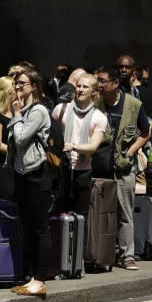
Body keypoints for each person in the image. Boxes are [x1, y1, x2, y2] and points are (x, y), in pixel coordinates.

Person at [95, 65, 151, 271]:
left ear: (115, 83)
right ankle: (101, 253)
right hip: (100, 166)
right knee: (100, 213)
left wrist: (131, 151)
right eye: (97, 81)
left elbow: (146, 132)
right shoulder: (95, 103)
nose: (99, 85)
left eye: (102, 81)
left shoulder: (134, 104)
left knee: (125, 213)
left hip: (124, 167)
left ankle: (127, 255)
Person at [7, 67, 53, 296]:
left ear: (34, 86)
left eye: (22, 83)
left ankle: (41, 278)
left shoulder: (38, 111)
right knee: (27, 227)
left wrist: (15, 116)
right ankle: (31, 276)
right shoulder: (23, 110)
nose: (17, 87)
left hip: (37, 174)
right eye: (16, 84)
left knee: (39, 228)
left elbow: (22, 138)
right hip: (22, 174)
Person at [51, 72, 108, 216]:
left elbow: (93, 147)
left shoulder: (99, 117)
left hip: (82, 171)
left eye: (85, 87)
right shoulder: (61, 109)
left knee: (81, 216)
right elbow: (50, 135)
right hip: (60, 168)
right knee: (57, 214)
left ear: (94, 92)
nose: (80, 89)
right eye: (78, 86)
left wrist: (73, 146)